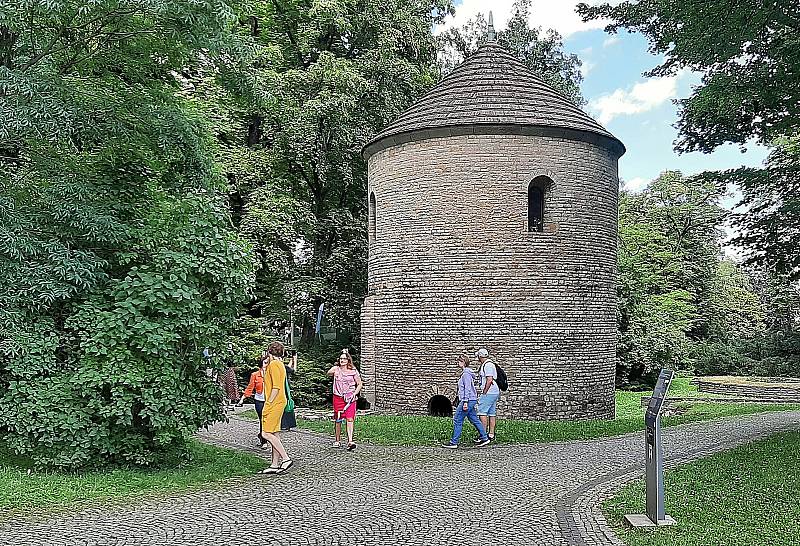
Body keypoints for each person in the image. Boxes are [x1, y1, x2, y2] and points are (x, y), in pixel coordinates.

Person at [258, 341, 293, 474]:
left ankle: (285, 458)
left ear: (269, 352)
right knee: (274, 433)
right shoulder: (279, 365)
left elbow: (276, 388)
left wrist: (268, 403)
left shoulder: (274, 365)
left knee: (265, 433)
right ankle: (274, 464)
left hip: (274, 402)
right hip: (279, 401)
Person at [443, 354, 490, 448]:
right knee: (474, 419)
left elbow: (467, 388)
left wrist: (465, 402)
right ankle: (485, 438)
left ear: (464, 362)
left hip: (468, 400)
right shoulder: (467, 373)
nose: (458, 363)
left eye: (460, 361)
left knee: (457, 419)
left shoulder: (466, 374)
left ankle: (454, 442)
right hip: (471, 400)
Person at [327, 349, 362, 451]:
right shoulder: (336, 369)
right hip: (338, 397)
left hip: (350, 398)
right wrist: (334, 371)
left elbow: (359, 384)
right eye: (341, 358)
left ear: (348, 360)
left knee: (350, 418)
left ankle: (350, 441)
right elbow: (328, 373)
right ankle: (337, 440)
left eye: (344, 359)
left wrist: (355, 393)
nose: (342, 360)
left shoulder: (353, 371)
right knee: (338, 419)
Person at [238, 356, 267, 445]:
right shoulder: (255, 375)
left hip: (269, 401)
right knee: (262, 419)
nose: (267, 364)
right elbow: (250, 388)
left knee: (267, 421)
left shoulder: (272, 374)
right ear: (261, 364)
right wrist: (243, 398)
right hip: (259, 401)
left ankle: (263, 435)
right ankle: (264, 441)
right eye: (265, 362)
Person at [475, 348, 500, 442]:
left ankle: (483, 435)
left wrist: (484, 391)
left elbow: (489, 380)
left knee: (482, 412)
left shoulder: (487, 365)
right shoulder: (490, 364)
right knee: (491, 413)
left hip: (489, 392)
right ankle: (491, 434)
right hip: (494, 392)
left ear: (480, 356)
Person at [281, 348, 298, 431]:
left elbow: (288, 368)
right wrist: (295, 360)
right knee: (286, 404)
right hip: (285, 387)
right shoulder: (282, 366)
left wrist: (292, 360)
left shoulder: (280, 365)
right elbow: (293, 370)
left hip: (282, 386)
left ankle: (283, 424)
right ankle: (286, 424)